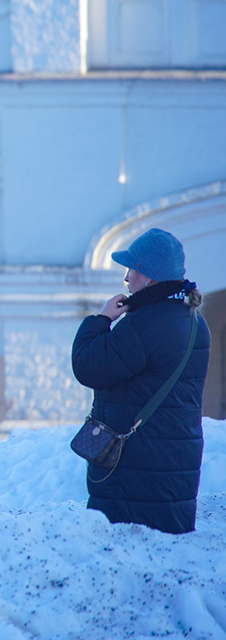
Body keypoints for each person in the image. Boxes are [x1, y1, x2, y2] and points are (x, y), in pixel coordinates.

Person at [71, 228, 209, 534]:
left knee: (125, 563)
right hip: (174, 467)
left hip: (134, 474)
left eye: (131, 269)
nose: (126, 279)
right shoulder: (194, 320)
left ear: (147, 277)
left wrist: (102, 319)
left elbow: (87, 366)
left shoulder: (144, 324)